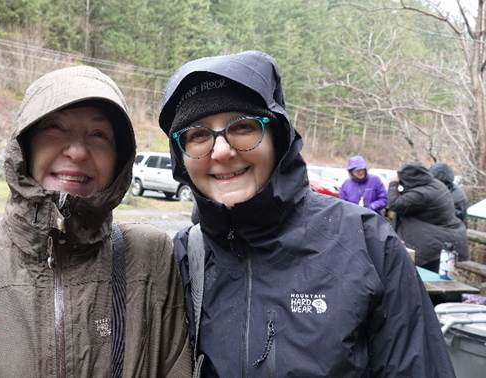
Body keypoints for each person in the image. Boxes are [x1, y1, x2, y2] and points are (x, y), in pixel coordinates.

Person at [0, 66, 190, 377]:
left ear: (119, 159)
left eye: (98, 134)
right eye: (55, 129)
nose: (79, 151)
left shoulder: (149, 256)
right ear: (23, 147)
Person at [158, 51, 454, 377]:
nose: (222, 150)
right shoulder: (186, 257)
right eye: (198, 135)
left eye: (243, 126)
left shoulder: (368, 243)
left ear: (278, 137)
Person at [388, 162, 468, 272]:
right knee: (428, 278)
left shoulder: (422, 193)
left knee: (423, 280)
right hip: (443, 242)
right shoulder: (436, 185)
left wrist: (393, 184)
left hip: (433, 245)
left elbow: (394, 204)